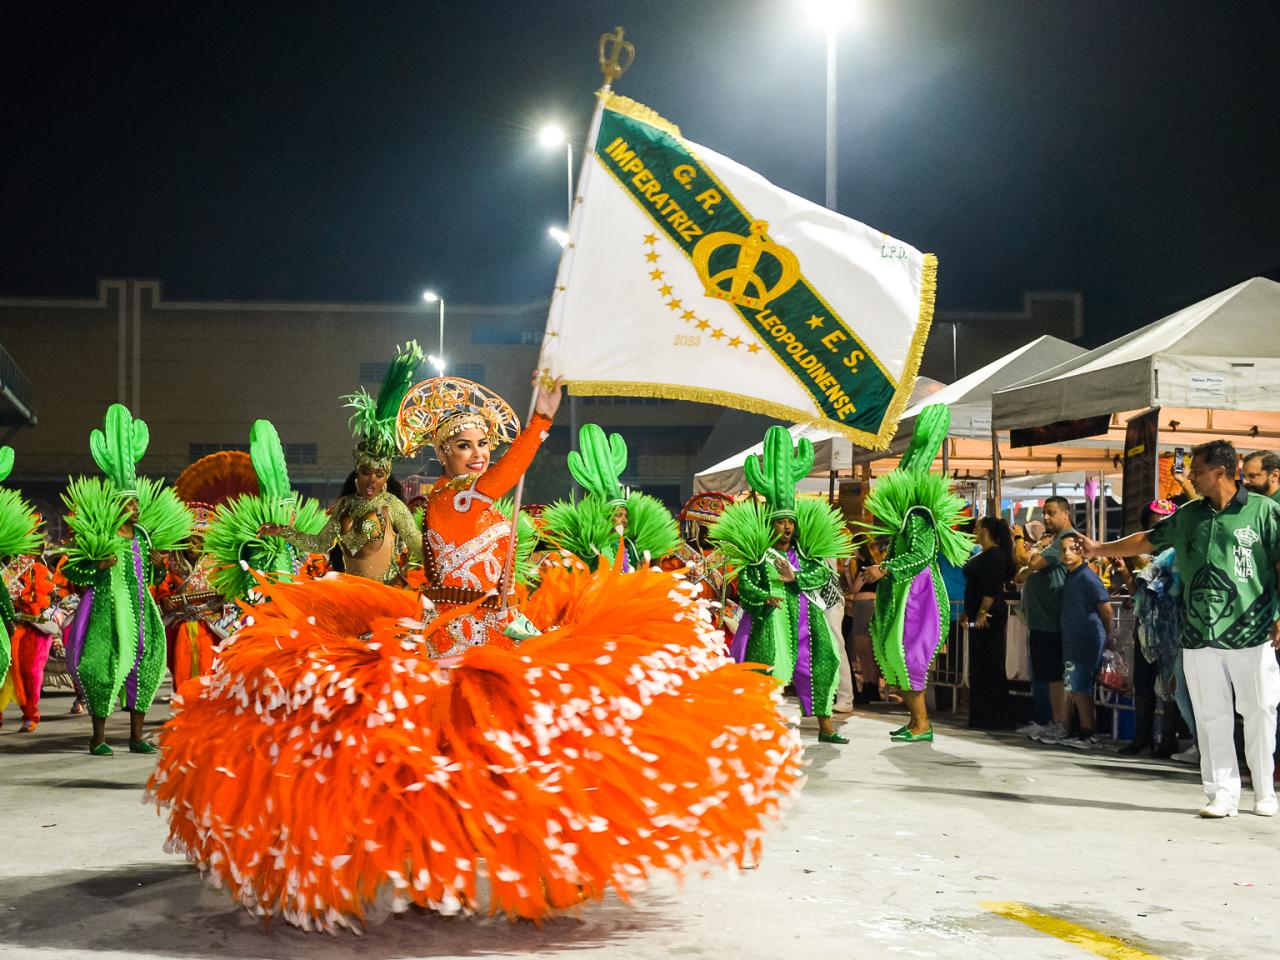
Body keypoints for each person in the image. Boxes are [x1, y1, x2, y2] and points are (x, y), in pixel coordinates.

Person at [147, 371, 804, 931]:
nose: (478, 453)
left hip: (498, 629)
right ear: (441, 454)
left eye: (484, 443)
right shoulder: (457, 499)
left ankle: (495, 864)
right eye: (463, 444)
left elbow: (495, 562)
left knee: (517, 753)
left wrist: (514, 611)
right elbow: (493, 500)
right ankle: (440, 865)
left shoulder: (481, 500)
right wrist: (543, 420)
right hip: (458, 639)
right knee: (455, 755)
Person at [1082, 439, 1280, 818]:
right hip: (1198, 633)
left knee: (1260, 708)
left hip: (1252, 631)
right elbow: (1146, 539)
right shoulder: (1190, 514)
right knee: (1210, 714)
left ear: (1220, 472)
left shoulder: (1264, 511)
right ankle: (1222, 793)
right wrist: (1098, 550)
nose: (1190, 477)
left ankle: (1264, 790)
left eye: (1197, 470)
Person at [62, 404, 193, 755]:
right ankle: (98, 737)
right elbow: (71, 570)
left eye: (136, 503)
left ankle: (136, 737)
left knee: (147, 665)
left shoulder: (143, 538)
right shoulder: (100, 535)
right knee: (100, 668)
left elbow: (152, 577)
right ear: (116, 505)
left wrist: (159, 566)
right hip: (106, 612)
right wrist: (98, 567)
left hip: (141, 611)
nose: (135, 508)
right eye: (129, 503)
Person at [709, 426, 854, 743]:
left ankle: (826, 727)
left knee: (819, 666)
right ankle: (758, 728)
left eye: (790, 522)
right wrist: (764, 598)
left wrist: (796, 578)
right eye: (780, 522)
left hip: (807, 621)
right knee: (765, 671)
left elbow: (822, 576)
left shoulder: (806, 553)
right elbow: (744, 585)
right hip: (769, 620)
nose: (786, 527)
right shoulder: (758, 555)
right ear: (771, 524)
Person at [862, 405, 974, 743]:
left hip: (918, 596)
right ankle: (915, 721)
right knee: (897, 656)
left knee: (909, 656)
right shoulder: (904, 520)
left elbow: (923, 554)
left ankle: (922, 724)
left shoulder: (918, 516)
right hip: (904, 594)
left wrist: (885, 568)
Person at [270, 344, 423, 584]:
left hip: (386, 597)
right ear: (357, 473)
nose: (372, 479)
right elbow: (320, 544)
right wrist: (285, 532)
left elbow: (420, 548)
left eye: (379, 473)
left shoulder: (394, 507)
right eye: (366, 472)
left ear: (385, 478)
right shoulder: (343, 506)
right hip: (348, 594)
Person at [541, 424, 679, 572]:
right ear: (606, 516)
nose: (625, 520)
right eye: (619, 515)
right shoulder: (590, 548)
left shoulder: (630, 546)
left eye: (625, 515)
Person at [1018, 496, 1076, 745]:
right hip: (1042, 621)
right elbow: (1022, 571)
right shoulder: (1053, 541)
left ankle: (1062, 724)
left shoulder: (1065, 539)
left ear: (1065, 512)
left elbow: (1032, 562)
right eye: (1044, 513)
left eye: (1051, 512)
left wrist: (1032, 556)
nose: (1046, 517)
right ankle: (1055, 722)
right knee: (1049, 676)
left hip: (1055, 621)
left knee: (1056, 678)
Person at [0, 449, 46, 730]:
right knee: (3, 671)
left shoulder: (36, 569)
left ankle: (31, 714)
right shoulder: (3, 566)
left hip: (29, 630)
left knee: (28, 673)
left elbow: (43, 597)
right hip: (6, 628)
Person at [1058, 533, 1113, 748]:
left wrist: (1108, 637)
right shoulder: (1071, 575)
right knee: (1075, 684)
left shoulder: (1088, 577)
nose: (1068, 553)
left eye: (1072, 549)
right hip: (1073, 638)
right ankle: (1082, 727)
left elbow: (1105, 609)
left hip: (1087, 639)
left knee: (1081, 684)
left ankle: (1089, 731)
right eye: (1064, 549)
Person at [964, 516, 1015, 730]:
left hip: (988, 614)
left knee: (989, 662)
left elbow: (991, 587)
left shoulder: (995, 556)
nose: (974, 530)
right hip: (978, 612)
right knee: (979, 662)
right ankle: (982, 713)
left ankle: (992, 715)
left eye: (977, 527)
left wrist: (982, 612)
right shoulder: (986, 554)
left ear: (984, 530)